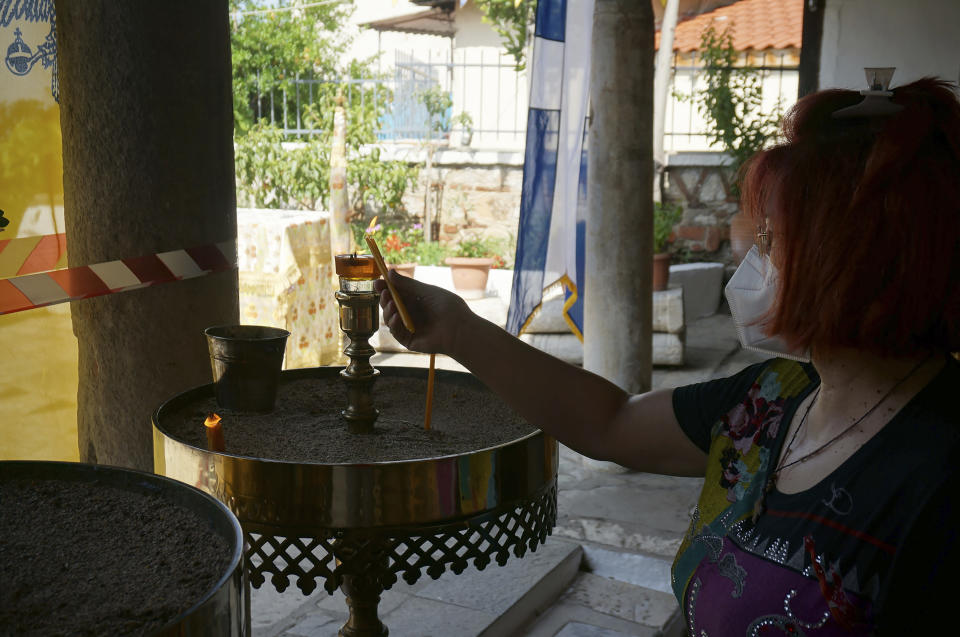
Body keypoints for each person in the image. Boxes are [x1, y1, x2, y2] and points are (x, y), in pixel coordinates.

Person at [374, 77, 960, 634]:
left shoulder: (937, 476)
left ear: (850, 263)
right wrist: (458, 331)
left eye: (771, 242)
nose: (751, 265)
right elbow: (611, 423)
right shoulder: (773, 399)